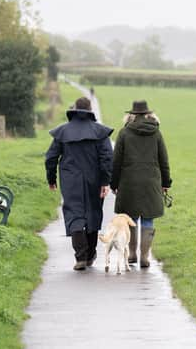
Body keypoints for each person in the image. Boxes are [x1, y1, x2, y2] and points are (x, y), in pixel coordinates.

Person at [45, 97, 114, 270]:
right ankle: (90, 254)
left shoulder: (62, 132)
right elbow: (107, 158)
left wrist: (51, 179)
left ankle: (80, 257)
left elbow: (51, 158)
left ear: (74, 110)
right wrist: (105, 181)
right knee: (93, 212)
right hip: (95, 179)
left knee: (75, 215)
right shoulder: (100, 132)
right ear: (90, 110)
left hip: (70, 181)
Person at [111, 100, 172, 268]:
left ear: (131, 114)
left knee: (131, 220)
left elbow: (116, 161)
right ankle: (145, 256)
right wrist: (166, 183)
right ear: (147, 114)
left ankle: (132, 254)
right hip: (151, 182)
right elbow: (163, 161)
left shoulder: (124, 133)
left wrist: (113, 183)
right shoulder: (156, 133)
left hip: (128, 182)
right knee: (148, 220)